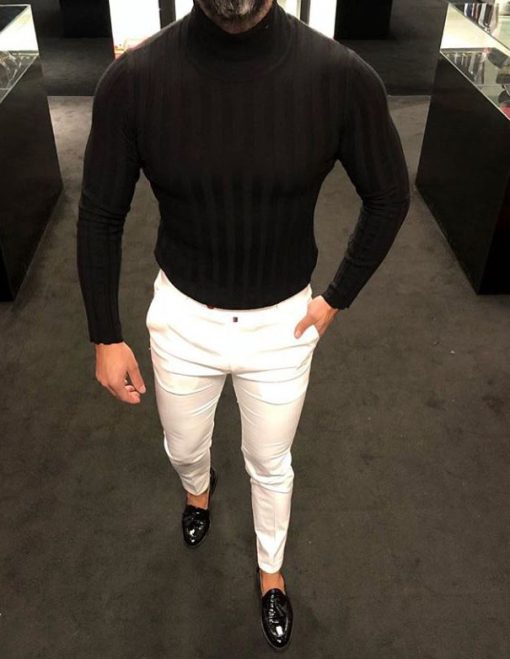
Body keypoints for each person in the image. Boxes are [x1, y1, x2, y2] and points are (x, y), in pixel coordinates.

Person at [76, 0, 410, 650]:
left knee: (270, 462)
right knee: (183, 446)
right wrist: (105, 334)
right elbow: (99, 214)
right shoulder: (135, 80)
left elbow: (389, 195)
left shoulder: (341, 78)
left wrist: (334, 299)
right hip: (182, 319)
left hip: (283, 326)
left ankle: (270, 569)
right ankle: (198, 492)